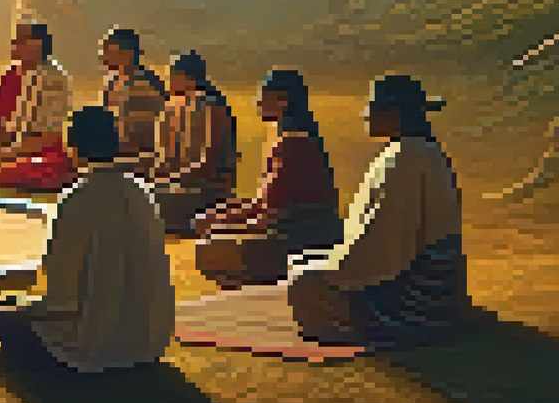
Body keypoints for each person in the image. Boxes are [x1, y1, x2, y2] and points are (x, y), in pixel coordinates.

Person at [0, 106, 176, 373]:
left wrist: (26, 308)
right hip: (150, 339)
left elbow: (62, 298)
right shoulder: (142, 192)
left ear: (72, 148)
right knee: (14, 306)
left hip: (91, 343)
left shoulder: (76, 198)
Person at [287, 75, 471, 347]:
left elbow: (380, 248)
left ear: (393, 114)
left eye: (372, 109)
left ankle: (353, 327)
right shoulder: (417, 151)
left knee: (304, 282)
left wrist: (330, 269)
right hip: (431, 283)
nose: (365, 116)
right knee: (304, 262)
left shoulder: (405, 158)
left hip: (418, 297)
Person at [193, 69, 343, 287]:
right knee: (211, 227)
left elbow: (270, 214)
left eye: (264, 97)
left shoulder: (293, 143)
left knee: (210, 249)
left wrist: (225, 224)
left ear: (283, 101)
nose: (257, 102)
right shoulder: (293, 137)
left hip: (303, 237)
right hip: (301, 229)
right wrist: (224, 215)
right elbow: (265, 203)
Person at [0, 22, 75, 191]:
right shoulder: (9, 75)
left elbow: (49, 136)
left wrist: (9, 154)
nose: (15, 44)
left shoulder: (54, 79)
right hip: (9, 151)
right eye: (16, 40)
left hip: (41, 154)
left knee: (39, 169)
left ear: (40, 44)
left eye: (23, 40)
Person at [146, 51, 239, 235]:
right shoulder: (182, 106)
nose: (168, 83)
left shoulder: (213, 106)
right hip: (188, 186)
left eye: (171, 77)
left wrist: (170, 179)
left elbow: (209, 164)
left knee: (144, 202)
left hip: (210, 191)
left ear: (185, 78)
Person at [99, 27, 167, 162]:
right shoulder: (112, 84)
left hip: (145, 159)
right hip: (119, 157)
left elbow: (163, 125)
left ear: (128, 53)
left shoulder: (148, 83)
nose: (104, 56)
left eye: (109, 51)